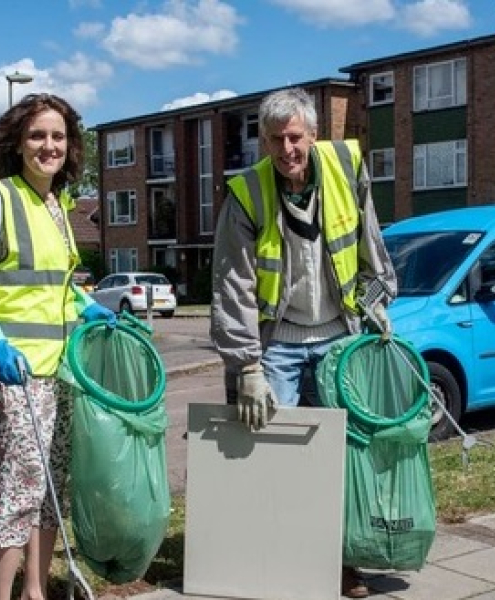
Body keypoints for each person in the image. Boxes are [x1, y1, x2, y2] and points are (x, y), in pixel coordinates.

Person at [210, 87, 397, 599]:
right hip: (279, 347)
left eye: (295, 137)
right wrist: (247, 366)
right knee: (271, 458)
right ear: (263, 143)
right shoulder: (248, 193)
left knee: (339, 458)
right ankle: (277, 560)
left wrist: (378, 301)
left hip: (338, 337)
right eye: (275, 140)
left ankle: (341, 563)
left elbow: (370, 244)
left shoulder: (344, 168)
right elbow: (233, 286)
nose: (286, 149)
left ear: (313, 135)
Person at [0, 93, 115, 600]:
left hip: (60, 372)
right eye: (37, 135)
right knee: (15, 494)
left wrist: (84, 304)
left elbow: (51, 284)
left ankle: (36, 590)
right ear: (17, 142)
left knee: (49, 491)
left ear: (70, 147)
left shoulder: (59, 205)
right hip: (15, 378)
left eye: (58, 136)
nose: (49, 146)